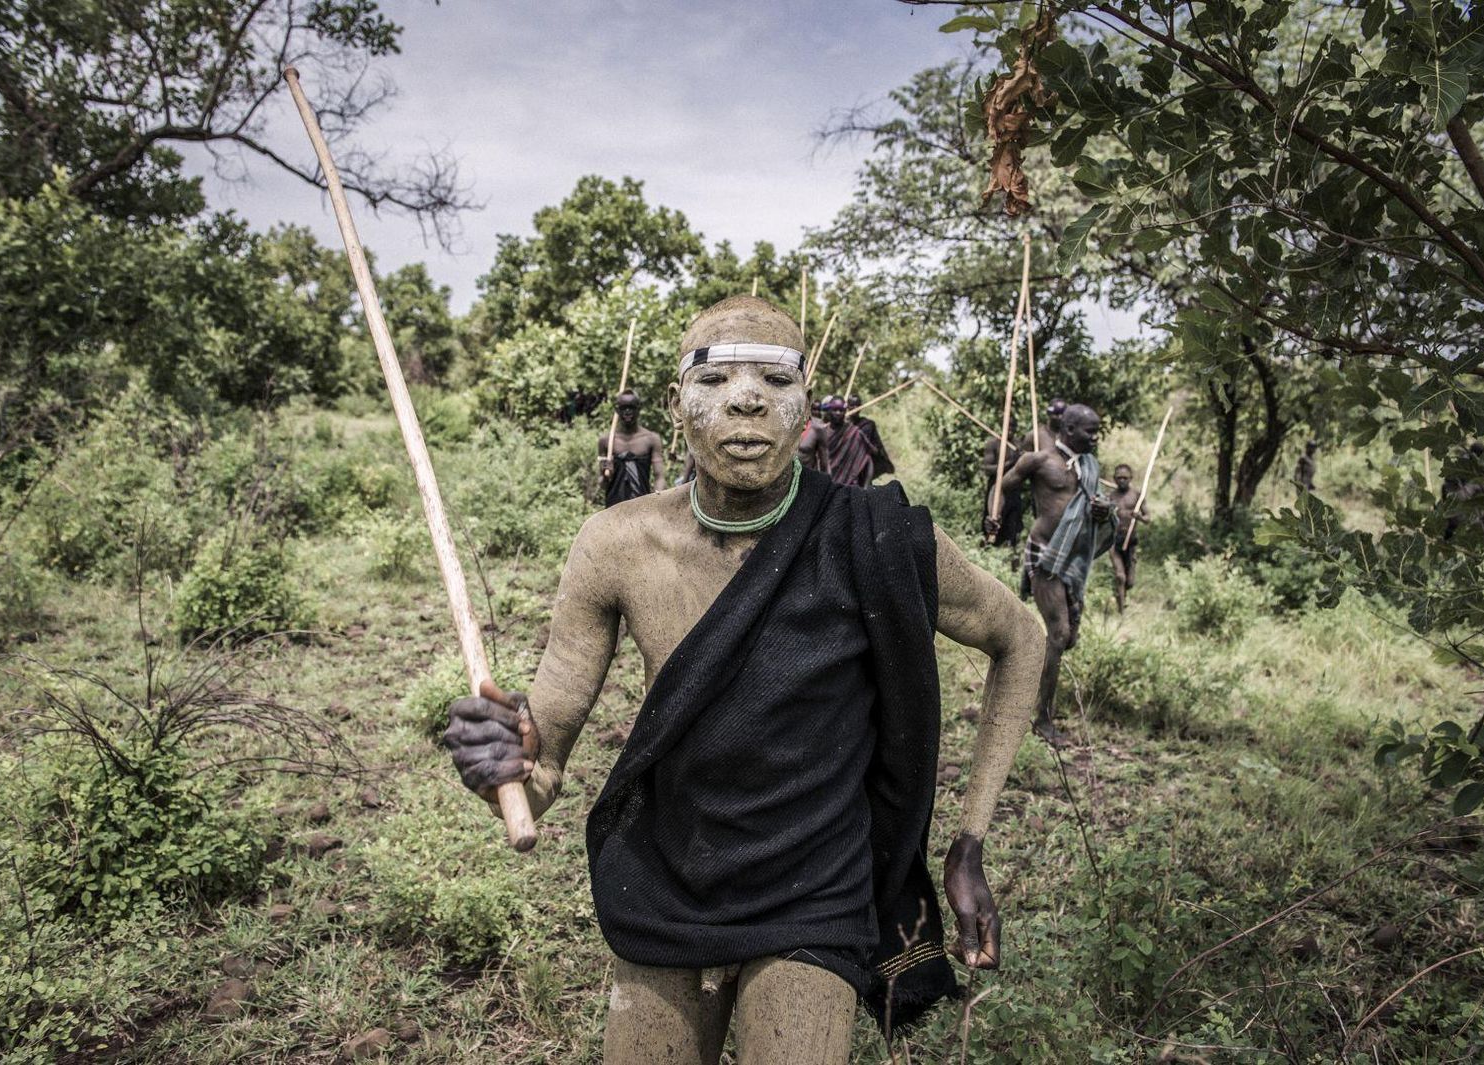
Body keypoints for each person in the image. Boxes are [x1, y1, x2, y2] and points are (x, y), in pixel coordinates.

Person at [441, 295, 1045, 1064]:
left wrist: (969, 842)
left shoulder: (874, 536)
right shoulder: (617, 543)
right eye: (716, 375)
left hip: (813, 889)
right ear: (677, 406)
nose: (747, 395)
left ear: (804, 408)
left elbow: (1021, 638)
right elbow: (545, 762)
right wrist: (507, 761)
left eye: (774, 375)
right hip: (665, 877)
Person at [995, 404, 1115, 744]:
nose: (1095, 437)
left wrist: (1104, 511)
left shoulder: (1090, 466)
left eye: (1097, 431)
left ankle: (1028, 674)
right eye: (1090, 431)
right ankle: (1042, 720)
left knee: (1067, 638)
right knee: (1059, 635)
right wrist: (995, 518)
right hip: (1046, 554)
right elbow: (1004, 486)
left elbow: (1098, 505)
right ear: (1070, 428)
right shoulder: (1039, 461)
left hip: (1074, 561)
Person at [598, 390, 666, 506]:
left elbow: (659, 477)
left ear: (639, 409)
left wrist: (658, 501)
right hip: (614, 508)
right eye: (623, 408)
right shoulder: (606, 441)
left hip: (642, 505)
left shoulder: (651, 439)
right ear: (617, 410)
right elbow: (602, 484)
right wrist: (606, 474)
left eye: (631, 407)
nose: (627, 412)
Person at [980, 431, 1025, 560]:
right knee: (992, 523)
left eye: (1014, 426)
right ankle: (987, 557)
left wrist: (1021, 459)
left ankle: (1011, 560)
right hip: (996, 487)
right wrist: (1010, 462)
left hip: (1013, 490)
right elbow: (987, 469)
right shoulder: (993, 443)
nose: (1011, 429)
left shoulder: (1018, 444)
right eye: (1009, 426)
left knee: (1013, 529)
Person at [1108, 463, 1147, 613]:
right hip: (1113, 542)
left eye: (1125, 478)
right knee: (1120, 576)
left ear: (1131, 478)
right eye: (1119, 478)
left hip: (1131, 541)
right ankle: (1121, 611)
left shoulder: (1137, 495)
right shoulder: (1110, 497)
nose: (1122, 481)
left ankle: (1121, 593)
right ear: (1114, 479)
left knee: (1129, 582)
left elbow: (1148, 518)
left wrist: (1139, 517)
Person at [846, 392, 896, 483]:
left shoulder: (868, 425)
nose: (854, 409)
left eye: (857, 406)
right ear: (847, 407)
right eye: (852, 405)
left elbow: (875, 448)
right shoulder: (841, 425)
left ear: (861, 407)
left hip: (862, 467)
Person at [797, 392, 833, 473]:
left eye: (818, 410)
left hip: (806, 477)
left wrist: (825, 481)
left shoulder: (818, 428)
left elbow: (824, 461)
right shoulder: (789, 426)